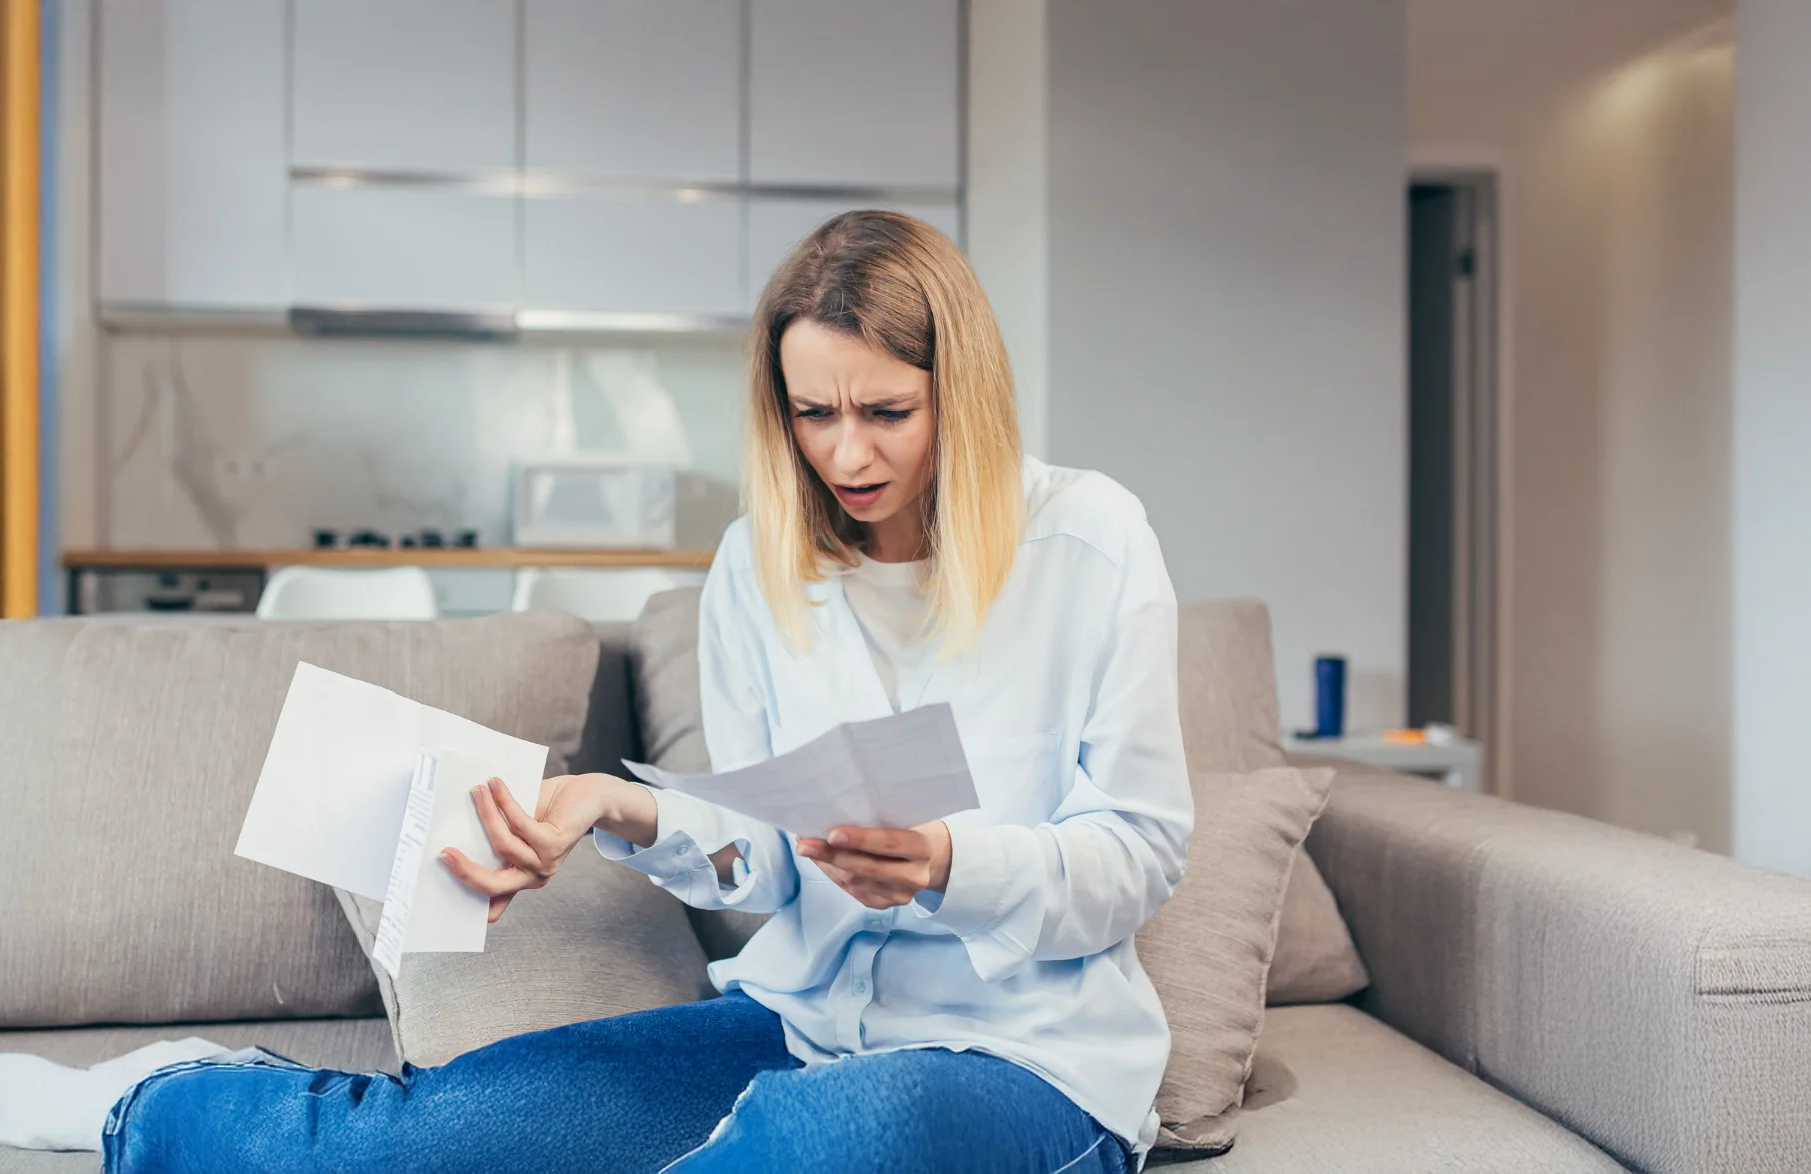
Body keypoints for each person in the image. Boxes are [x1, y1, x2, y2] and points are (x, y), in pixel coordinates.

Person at [102, 210, 1193, 1174]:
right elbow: (763, 856)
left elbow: (1142, 849)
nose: (846, 453)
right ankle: (160, 1107)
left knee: (822, 1145)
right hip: (799, 1024)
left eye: (887, 412)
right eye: (813, 413)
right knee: (447, 1130)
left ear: (965, 391)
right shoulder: (756, 564)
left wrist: (954, 864)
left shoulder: (1093, 544)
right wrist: (613, 806)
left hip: (1025, 1057)